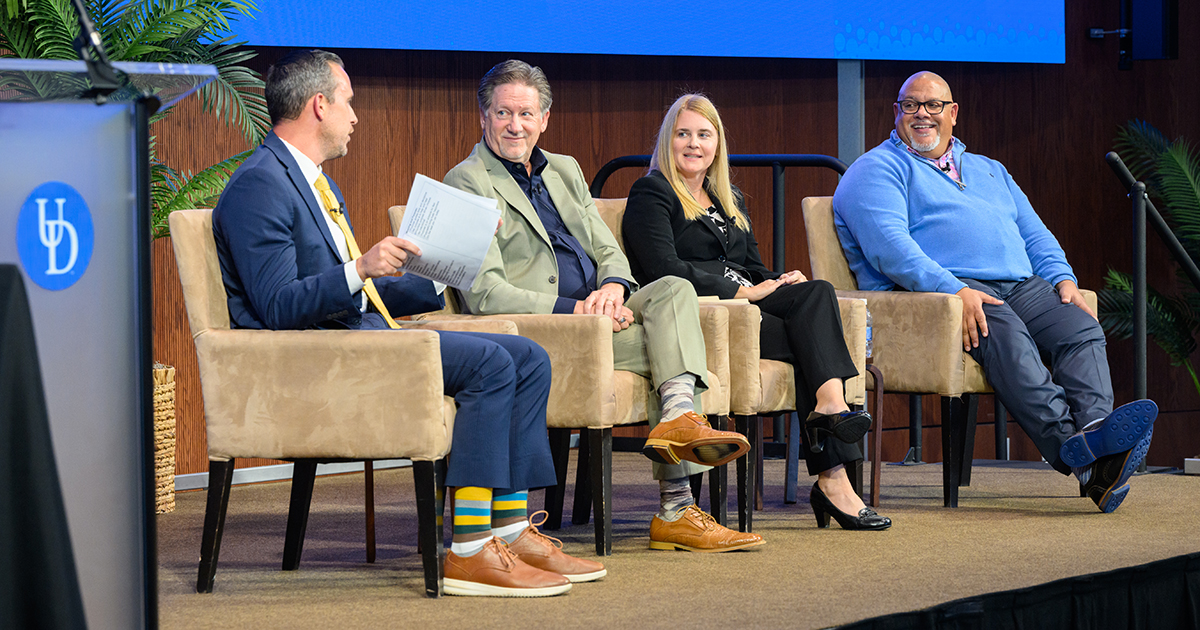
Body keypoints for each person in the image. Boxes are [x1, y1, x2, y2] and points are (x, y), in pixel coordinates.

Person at [211, 49, 606, 597]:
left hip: (355, 337)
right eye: (349, 102)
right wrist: (360, 266)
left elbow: (354, 291)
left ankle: (511, 528)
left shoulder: (311, 180)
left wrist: (446, 265)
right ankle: (469, 548)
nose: (355, 116)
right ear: (319, 106)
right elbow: (278, 306)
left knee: (527, 356)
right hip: (317, 358)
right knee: (491, 363)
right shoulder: (261, 183)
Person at [444, 60, 764, 552]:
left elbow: (607, 248)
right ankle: (677, 506)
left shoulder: (566, 169)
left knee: (674, 289)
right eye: (503, 113)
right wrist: (577, 310)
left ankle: (679, 418)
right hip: (543, 331)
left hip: (603, 319)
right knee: (673, 354)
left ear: (544, 118)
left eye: (526, 114)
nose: (515, 125)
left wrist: (614, 286)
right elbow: (485, 293)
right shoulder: (466, 181)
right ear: (483, 116)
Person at [832, 71, 1158, 513]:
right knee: (1008, 337)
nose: (922, 114)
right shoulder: (875, 169)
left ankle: (1100, 438)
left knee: (1079, 327)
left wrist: (1063, 279)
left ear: (953, 113)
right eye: (910, 105)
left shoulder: (990, 170)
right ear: (896, 112)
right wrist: (956, 288)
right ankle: (1077, 454)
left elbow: (1035, 235)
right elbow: (893, 251)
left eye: (933, 105)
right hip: (938, 295)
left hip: (1020, 283)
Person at [622, 94, 891, 531]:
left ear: (717, 144)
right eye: (683, 134)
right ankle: (833, 477)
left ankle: (830, 406)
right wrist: (742, 291)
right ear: (668, 140)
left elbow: (752, 267)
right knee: (812, 348)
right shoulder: (652, 191)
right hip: (705, 313)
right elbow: (663, 270)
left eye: (704, 135)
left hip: (747, 303)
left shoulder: (728, 198)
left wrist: (779, 280)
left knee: (814, 291)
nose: (693, 144)